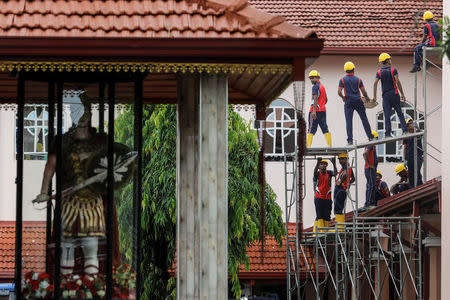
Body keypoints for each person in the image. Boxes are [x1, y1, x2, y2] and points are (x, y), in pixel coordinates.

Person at [33, 92, 126, 276]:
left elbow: (113, 166)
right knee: (66, 247)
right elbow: (50, 166)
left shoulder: (101, 140)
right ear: (72, 113)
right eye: (77, 111)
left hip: (93, 200)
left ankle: (93, 289)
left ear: (90, 113)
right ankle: (67, 289)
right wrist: (44, 191)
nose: (82, 115)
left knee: (91, 247)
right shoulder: (61, 141)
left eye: (85, 111)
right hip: (68, 201)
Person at [338, 61, 374, 145]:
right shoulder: (358, 80)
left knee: (349, 121)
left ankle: (350, 140)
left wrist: (343, 98)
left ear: (345, 70)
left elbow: (339, 92)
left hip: (348, 102)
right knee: (364, 118)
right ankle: (370, 137)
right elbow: (363, 92)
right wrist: (368, 98)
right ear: (353, 69)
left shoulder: (342, 80)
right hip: (358, 101)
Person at [373, 53, 408, 137]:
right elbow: (397, 81)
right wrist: (402, 94)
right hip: (394, 94)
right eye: (390, 59)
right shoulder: (393, 70)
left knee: (387, 115)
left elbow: (375, 83)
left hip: (385, 96)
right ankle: (405, 130)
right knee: (399, 113)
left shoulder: (379, 72)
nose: (391, 60)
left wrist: (374, 96)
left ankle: (388, 133)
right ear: (387, 61)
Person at [307, 70, 332, 147]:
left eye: (312, 78)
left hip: (314, 111)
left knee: (311, 129)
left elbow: (315, 98)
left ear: (317, 78)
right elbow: (326, 99)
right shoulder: (322, 87)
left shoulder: (315, 86)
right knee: (324, 128)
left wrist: (314, 111)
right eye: (310, 78)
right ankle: (329, 145)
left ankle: (308, 146)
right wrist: (321, 105)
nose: (311, 80)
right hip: (322, 110)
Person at [313, 158, 337, 232]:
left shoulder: (329, 173)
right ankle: (320, 232)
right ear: (319, 166)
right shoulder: (317, 174)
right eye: (321, 164)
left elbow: (335, 173)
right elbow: (314, 172)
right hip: (318, 197)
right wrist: (317, 162)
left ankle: (325, 231)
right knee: (319, 215)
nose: (323, 165)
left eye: (324, 164)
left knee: (327, 215)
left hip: (327, 198)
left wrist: (334, 163)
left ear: (326, 165)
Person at [334, 153, 354, 226]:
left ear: (346, 159)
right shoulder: (349, 167)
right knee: (340, 207)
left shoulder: (346, 167)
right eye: (340, 159)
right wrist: (349, 184)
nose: (340, 161)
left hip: (340, 188)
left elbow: (345, 174)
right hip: (343, 188)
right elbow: (353, 178)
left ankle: (339, 227)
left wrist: (340, 182)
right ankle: (340, 226)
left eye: (342, 159)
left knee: (338, 208)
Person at [403, 118, 423, 187]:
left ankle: (419, 185)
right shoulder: (406, 135)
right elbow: (405, 147)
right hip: (409, 157)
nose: (412, 124)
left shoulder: (417, 132)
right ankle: (412, 186)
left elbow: (421, 132)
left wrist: (417, 126)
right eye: (410, 123)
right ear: (407, 126)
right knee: (411, 173)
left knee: (416, 171)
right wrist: (405, 159)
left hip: (417, 156)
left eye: (412, 123)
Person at [362, 131, 379, 209]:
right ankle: (369, 204)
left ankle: (369, 203)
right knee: (371, 185)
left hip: (371, 169)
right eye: (377, 138)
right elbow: (365, 154)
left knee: (370, 185)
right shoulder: (371, 144)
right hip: (369, 169)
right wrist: (369, 164)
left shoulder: (371, 145)